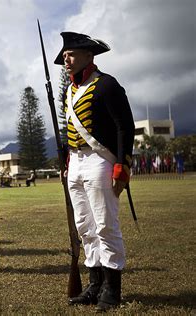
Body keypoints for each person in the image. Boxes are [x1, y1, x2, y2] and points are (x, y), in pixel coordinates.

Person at [54, 32, 135, 311]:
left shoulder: (107, 85)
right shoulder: (69, 90)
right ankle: (94, 283)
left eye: (72, 53)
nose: (67, 57)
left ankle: (112, 289)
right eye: (65, 54)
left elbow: (125, 126)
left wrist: (122, 165)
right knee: (84, 227)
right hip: (75, 162)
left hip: (100, 160)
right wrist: (66, 163)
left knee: (105, 225)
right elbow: (69, 132)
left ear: (89, 55)